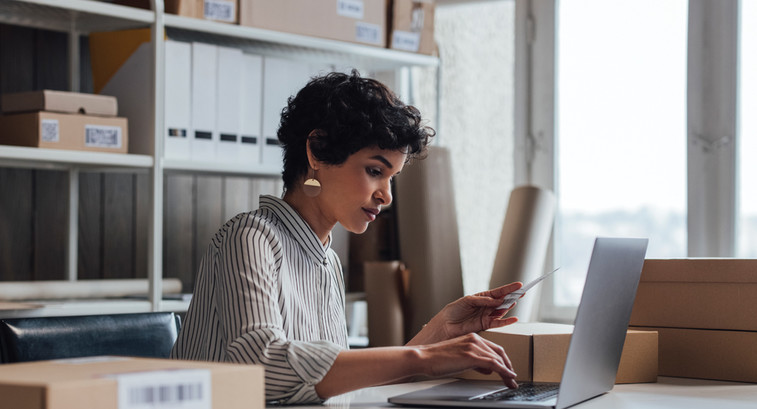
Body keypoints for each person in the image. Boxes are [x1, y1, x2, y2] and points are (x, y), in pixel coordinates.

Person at [170, 70, 523, 404]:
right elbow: (262, 365)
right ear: (317, 151)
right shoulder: (248, 238)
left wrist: (441, 330)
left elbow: (337, 388)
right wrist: (422, 357)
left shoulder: (327, 261)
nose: (387, 196)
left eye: (392, 178)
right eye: (374, 171)